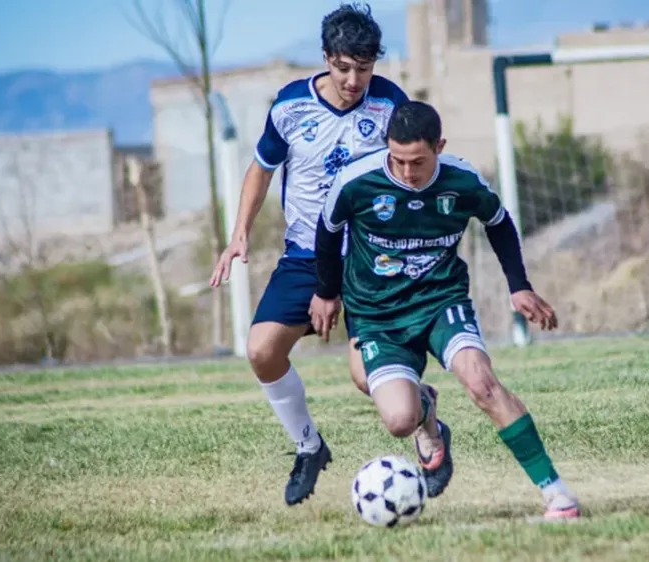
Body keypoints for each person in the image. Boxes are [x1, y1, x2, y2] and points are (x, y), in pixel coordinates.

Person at [308, 101, 582, 520]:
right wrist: (327, 293)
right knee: (400, 419)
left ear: (440, 146)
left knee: (482, 385)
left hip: (441, 300)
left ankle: (556, 493)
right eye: (397, 160)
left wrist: (519, 286)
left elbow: (500, 223)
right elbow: (327, 235)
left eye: (417, 161)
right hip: (377, 314)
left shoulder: (462, 180)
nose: (406, 171)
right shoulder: (356, 183)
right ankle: (425, 413)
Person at [208, 2, 412, 507]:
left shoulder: (389, 104)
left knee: (368, 379)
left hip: (368, 257)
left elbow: (413, 169)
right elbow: (260, 169)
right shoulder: (290, 106)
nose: (353, 80)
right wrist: (239, 234)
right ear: (326, 59)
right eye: (344, 68)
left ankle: (426, 423)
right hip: (304, 255)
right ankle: (309, 446)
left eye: (363, 69)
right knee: (261, 350)